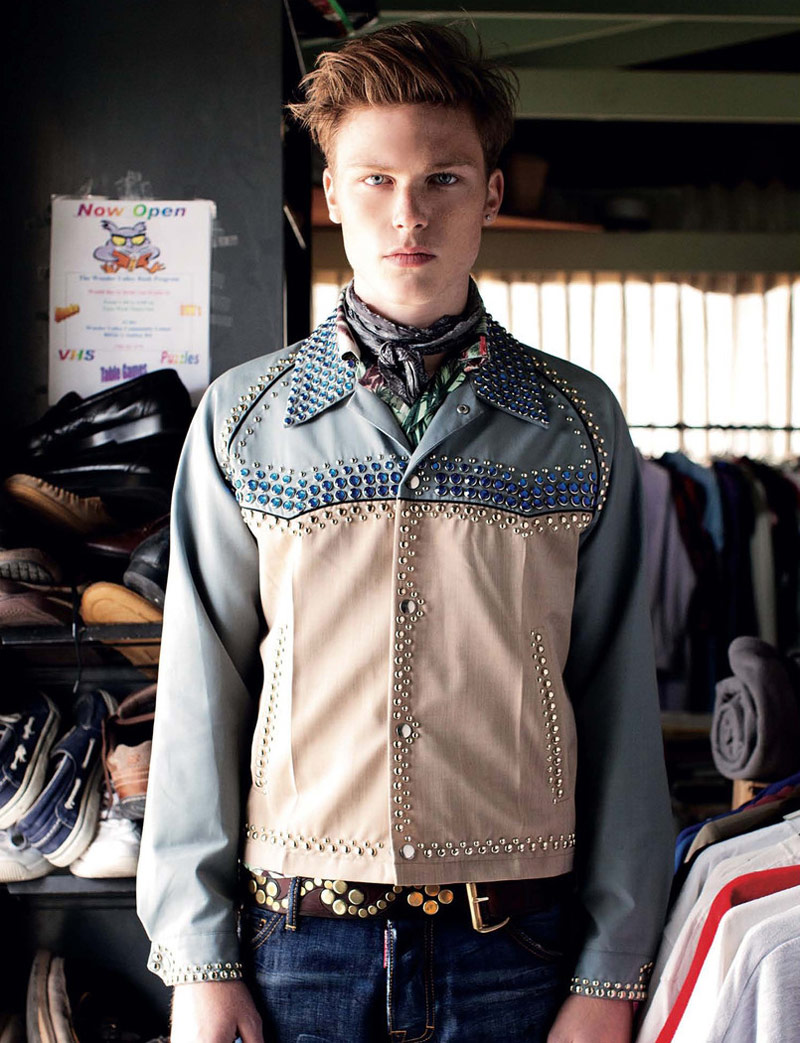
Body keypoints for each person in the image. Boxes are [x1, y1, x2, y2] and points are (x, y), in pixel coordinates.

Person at [137, 21, 674, 1043]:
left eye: (442, 179)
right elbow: (201, 691)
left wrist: (612, 972)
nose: (408, 212)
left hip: (517, 948)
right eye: (375, 180)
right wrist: (198, 955)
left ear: (492, 193)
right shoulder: (244, 419)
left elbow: (615, 700)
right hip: (294, 943)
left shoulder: (578, 424)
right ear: (332, 195)